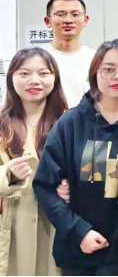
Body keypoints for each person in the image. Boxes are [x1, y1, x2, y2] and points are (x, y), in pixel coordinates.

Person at [33, 39, 118, 276]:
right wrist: (78, 231)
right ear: (94, 74)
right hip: (78, 248)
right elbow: (45, 186)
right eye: (108, 69)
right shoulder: (71, 122)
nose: (117, 76)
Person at [0, 48, 67, 275]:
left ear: (55, 78)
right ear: (11, 78)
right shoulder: (2, 123)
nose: (34, 80)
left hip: (57, 220)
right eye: (24, 73)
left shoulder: (70, 121)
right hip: (13, 221)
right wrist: (8, 174)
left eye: (43, 73)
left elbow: (88, 168)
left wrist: (72, 185)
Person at [43, 0, 96, 108]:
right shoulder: (34, 58)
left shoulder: (97, 59)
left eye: (75, 14)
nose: (68, 20)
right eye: (60, 14)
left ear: (85, 20)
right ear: (48, 21)